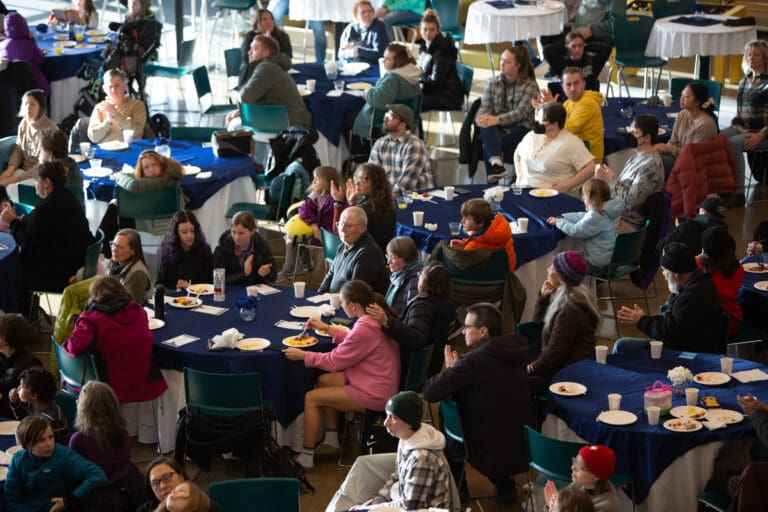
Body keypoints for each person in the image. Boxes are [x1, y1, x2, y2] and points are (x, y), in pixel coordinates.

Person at [285, 280, 401, 470]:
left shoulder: (364, 328)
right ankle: (331, 439)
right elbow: (354, 340)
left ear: (352, 306)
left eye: (342, 302)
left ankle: (306, 455)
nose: (341, 305)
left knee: (311, 398)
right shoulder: (372, 319)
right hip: (375, 380)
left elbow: (334, 361)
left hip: (374, 392)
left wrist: (303, 355)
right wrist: (326, 328)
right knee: (322, 381)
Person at [422, 302, 532, 502]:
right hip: (521, 441)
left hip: (485, 443)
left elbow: (430, 392)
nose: (463, 331)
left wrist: (451, 371)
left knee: (448, 408)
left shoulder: (473, 361)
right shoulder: (517, 349)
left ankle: (457, 487)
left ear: (483, 332)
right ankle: (504, 485)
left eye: (467, 327)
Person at [63, 276, 167, 405]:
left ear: (95, 296)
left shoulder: (91, 319)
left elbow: (75, 348)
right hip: (144, 384)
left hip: (109, 391)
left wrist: (66, 340)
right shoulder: (138, 311)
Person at [347, 391, 453, 510]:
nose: (385, 423)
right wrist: (373, 504)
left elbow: (409, 506)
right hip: (409, 502)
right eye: (387, 415)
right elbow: (397, 477)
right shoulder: (405, 437)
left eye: (393, 418)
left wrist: (371, 509)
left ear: (409, 423)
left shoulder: (422, 459)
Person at [614, 242, 723, 354]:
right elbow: (670, 322)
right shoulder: (692, 285)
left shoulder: (693, 295)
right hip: (682, 345)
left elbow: (670, 333)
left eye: (664, 269)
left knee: (621, 346)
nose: (663, 274)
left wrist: (641, 320)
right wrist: (643, 318)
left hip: (688, 354)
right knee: (622, 345)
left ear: (675, 273)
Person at [0, 161, 93, 293]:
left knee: (8, 269)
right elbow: (42, 226)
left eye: (36, 180)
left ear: (46, 183)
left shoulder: (48, 207)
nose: (34, 184)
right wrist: (21, 221)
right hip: (75, 260)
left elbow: (26, 241)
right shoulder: (67, 197)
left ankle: (18, 309)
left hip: (58, 271)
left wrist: (12, 223)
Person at [527, 251, 601, 395]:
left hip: (568, 375)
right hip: (565, 365)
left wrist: (529, 369)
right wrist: (543, 298)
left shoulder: (569, 310)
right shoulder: (570, 296)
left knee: (514, 380)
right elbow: (538, 324)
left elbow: (554, 355)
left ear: (562, 279)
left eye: (552, 268)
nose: (548, 270)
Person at [366, 262, 456, 379]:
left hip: (409, 369)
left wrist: (386, 321)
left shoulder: (422, 308)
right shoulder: (448, 304)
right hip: (431, 367)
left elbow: (415, 339)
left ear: (425, 282)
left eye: (420, 276)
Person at [4, 416, 107, 512]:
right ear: (28, 445)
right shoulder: (18, 459)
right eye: (42, 440)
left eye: (51, 437)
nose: (49, 444)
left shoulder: (65, 456)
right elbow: (11, 501)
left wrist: (68, 500)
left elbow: (98, 475)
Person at [476, 45, 539, 182]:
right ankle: (497, 165)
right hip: (497, 127)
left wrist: (497, 119)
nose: (502, 64)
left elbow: (521, 113)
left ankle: (491, 184)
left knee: (491, 142)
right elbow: (484, 106)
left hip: (522, 128)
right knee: (486, 127)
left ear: (518, 65)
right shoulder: (492, 83)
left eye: (507, 62)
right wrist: (481, 118)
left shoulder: (529, 85)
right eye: (501, 60)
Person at [596, 114, 664, 233]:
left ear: (647, 138)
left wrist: (611, 181)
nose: (630, 135)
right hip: (617, 212)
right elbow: (626, 187)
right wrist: (611, 177)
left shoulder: (649, 166)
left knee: (584, 231)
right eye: (630, 131)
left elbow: (631, 203)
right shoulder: (636, 157)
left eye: (635, 133)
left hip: (627, 222)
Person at [721, 39, 768, 208]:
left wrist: (761, 135)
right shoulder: (745, 78)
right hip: (744, 126)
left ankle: (738, 194)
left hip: (762, 131)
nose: (751, 58)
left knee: (734, 143)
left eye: (756, 55)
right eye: (749, 54)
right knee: (719, 138)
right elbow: (741, 113)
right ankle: (726, 184)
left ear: (765, 59)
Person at [226, 35, 311, 128]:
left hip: (289, 125)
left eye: (254, 49)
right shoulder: (270, 65)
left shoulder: (266, 68)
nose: (248, 52)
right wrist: (240, 112)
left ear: (265, 53)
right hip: (284, 119)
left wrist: (235, 97)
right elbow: (256, 99)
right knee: (235, 122)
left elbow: (244, 97)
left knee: (234, 126)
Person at [515, 102, 596, 194]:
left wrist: (567, 185)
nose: (536, 122)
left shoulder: (571, 142)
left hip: (553, 195)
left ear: (554, 124)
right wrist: (520, 176)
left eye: (541, 120)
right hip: (526, 190)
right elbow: (517, 154)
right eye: (536, 118)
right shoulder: (531, 136)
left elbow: (590, 167)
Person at [276, 166, 340, 282]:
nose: (314, 181)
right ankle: (302, 265)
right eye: (314, 178)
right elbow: (304, 209)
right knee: (294, 235)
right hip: (318, 234)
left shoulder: (335, 198)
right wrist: (314, 226)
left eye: (317, 179)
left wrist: (318, 231)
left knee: (295, 236)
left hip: (328, 238)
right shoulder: (316, 195)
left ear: (328, 181)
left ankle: (290, 270)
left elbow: (335, 222)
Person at [351, 44, 422, 142]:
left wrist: (367, 93)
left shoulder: (393, 78)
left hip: (383, 124)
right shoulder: (413, 75)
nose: (384, 61)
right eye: (384, 57)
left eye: (388, 59)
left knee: (346, 117)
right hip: (407, 123)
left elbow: (378, 100)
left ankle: (359, 153)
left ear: (399, 62)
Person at [536, 67, 604, 163]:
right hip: (571, 154)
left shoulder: (588, 103)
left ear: (583, 84)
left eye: (576, 83)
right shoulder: (568, 103)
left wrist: (551, 112)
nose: (573, 89)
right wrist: (550, 108)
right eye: (568, 84)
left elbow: (566, 130)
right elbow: (555, 126)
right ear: (563, 87)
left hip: (588, 161)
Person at [654, 82, 719, 178]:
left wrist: (669, 149)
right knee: (650, 157)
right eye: (681, 95)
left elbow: (694, 157)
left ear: (697, 102)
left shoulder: (705, 125)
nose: (681, 99)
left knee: (654, 164)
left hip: (695, 168)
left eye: (686, 97)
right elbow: (673, 142)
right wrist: (663, 148)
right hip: (679, 158)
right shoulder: (682, 114)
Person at [547, 178, 615, 268]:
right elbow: (583, 216)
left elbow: (575, 231)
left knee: (563, 264)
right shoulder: (604, 211)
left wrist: (558, 222)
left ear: (591, 197)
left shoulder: (595, 217)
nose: (583, 198)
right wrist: (564, 217)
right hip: (606, 258)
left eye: (584, 195)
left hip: (598, 263)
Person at [318, 206, 388, 294]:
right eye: (340, 224)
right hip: (334, 301)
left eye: (348, 225)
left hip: (352, 305)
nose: (342, 229)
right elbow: (330, 275)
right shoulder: (343, 246)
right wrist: (319, 295)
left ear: (362, 228)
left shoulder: (368, 253)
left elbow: (355, 294)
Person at [69, 381, 131, 478]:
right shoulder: (123, 434)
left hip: (94, 488)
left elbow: (74, 472)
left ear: (85, 409)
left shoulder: (78, 440)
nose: (76, 401)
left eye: (79, 399)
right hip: (122, 485)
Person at [368, 103, 433, 196]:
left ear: (402, 125)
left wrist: (380, 201)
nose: (385, 118)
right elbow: (371, 174)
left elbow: (404, 186)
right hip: (389, 198)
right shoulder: (380, 143)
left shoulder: (415, 145)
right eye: (386, 115)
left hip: (416, 200)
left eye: (390, 117)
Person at [331, 163, 396, 254]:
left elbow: (339, 232)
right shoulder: (383, 201)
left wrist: (338, 202)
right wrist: (352, 203)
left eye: (363, 180)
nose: (357, 183)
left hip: (366, 256)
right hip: (377, 252)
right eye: (356, 178)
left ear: (376, 184)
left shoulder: (368, 209)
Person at [0, 89, 58, 185]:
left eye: (33, 104)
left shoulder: (50, 129)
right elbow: (18, 149)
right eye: (26, 104)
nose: (28, 107)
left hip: (42, 175)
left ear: (41, 108)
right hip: (22, 171)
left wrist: (16, 179)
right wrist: (9, 171)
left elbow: (44, 164)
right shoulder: (24, 123)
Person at [544, 445, 621, 512]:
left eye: (579, 467)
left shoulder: (607, 507)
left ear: (596, 476)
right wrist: (552, 505)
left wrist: (555, 507)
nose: (572, 467)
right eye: (574, 462)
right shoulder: (578, 485)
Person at [697, 226, 744, 336]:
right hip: (733, 322)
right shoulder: (738, 268)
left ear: (704, 251)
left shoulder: (698, 267)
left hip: (710, 328)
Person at [449, 197, 517, 271]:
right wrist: (464, 244)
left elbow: (459, 267)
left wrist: (458, 252)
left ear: (480, 222)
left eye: (467, 218)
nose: (462, 221)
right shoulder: (501, 233)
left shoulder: (472, 247)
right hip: (504, 277)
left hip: (479, 280)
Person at [416, 9, 463, 112]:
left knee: (414, 102)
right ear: (420, 30)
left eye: (432, 30)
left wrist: (419, 78)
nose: (428, 33)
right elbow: (420, 69)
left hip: (448, 95)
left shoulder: (443, 50)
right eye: (425, 29)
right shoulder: (424, 45)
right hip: (434, 90)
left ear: (437, 31)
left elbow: (437, 82)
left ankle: (415, 128)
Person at [213, 211, 276, 285]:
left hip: (255, 291)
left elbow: (273, 277)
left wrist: (266, 273)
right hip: (231, 293)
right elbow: (217, 282)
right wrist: (243, 274)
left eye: (241, 233)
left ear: (252, 231)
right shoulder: (222, 248)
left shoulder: (262, 245)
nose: (236, 237)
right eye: (233, 232)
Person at [156, 210, 214, 291]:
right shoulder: (165, 251)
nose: (189, 235)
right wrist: (175, 290)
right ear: (176, 233)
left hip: (199, 296)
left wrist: (191, 287)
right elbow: (159, 285)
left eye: (192, 231)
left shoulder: (204, 250)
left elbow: (209, 282)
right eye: (184, 232)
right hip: (174, 297)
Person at [9, 367, 69, 444]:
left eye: (22, 386)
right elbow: (21, 419)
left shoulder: (51, 420)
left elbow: (52, 447)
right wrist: (15, 402)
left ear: (33, 395)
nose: (18, 388)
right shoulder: (34, 403)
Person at [655, 194, 728, 257]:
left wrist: (678, 230)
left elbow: (660, 249)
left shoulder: (688, 227)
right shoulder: (723, 235)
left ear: (702, 211)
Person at [88, 69, 147, 144]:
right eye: (110, 87)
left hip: (130, 151)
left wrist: (116, 114)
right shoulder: (99, 108)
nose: (113, 90)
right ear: (105, 89)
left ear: (125, 86)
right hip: (105, 152)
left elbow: (136, 132)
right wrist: (108, 121)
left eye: (117, 86)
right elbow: (93, 137)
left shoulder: (138, 105)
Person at [0, 313, 42, 418]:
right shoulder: (3, 356)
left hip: (13, 418)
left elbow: (30, 406)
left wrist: (4, 398)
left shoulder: (30, 366)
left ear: (5, 339)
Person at [238, 8, 292, 87]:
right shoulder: (249, 37)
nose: (269, 22)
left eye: (271, 19)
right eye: (264, 19)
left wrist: (271, 42)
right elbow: (247, 59)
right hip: (252, 75)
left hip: (277, 73)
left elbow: (287, 57)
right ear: (257, 23)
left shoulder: (282, 36)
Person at [543, 32, 611, 92]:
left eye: (580, 45)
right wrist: (565, 48)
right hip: (570, 100)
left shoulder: (591, 62)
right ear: (567, 47)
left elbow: (606, 48)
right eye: (574, 46)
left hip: (589, 99)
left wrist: (586, 47)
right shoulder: (562, 63)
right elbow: (547, 51)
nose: (578, 49)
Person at [0, 13, 49, 95]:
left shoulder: (2, 44)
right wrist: (32, 40)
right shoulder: (29, 44)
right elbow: (40, 60)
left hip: (8, 90)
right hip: (33, 86)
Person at [39, 129, 84, 209]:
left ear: (50, 152)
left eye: (41, 150)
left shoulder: (52, 172)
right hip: (78, 212)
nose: (39, 153)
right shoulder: (72, 163)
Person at [104, 228, 153, 303]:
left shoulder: (138, 274)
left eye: (120, 247)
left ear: (133, 251)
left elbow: (129, 306)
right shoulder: (115, 263)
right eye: (113, 244)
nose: (114, 250)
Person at [338, 0, 389, 65]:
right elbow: (340, 53)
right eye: (363, 12)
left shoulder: (379, 27)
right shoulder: (350, 28)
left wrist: (358, 50)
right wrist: (349, 53)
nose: (367, 14)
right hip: (352, 66)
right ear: (356, 15)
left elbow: (380, 54)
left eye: (369, 11)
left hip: (373, 66)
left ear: (373, 13)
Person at [382, 236, 423, 314]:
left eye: (393, 257)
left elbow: (411, 315)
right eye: (388, 256)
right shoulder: (398, 274)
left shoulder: (415, 281)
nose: (388, 261)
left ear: (407, 258)